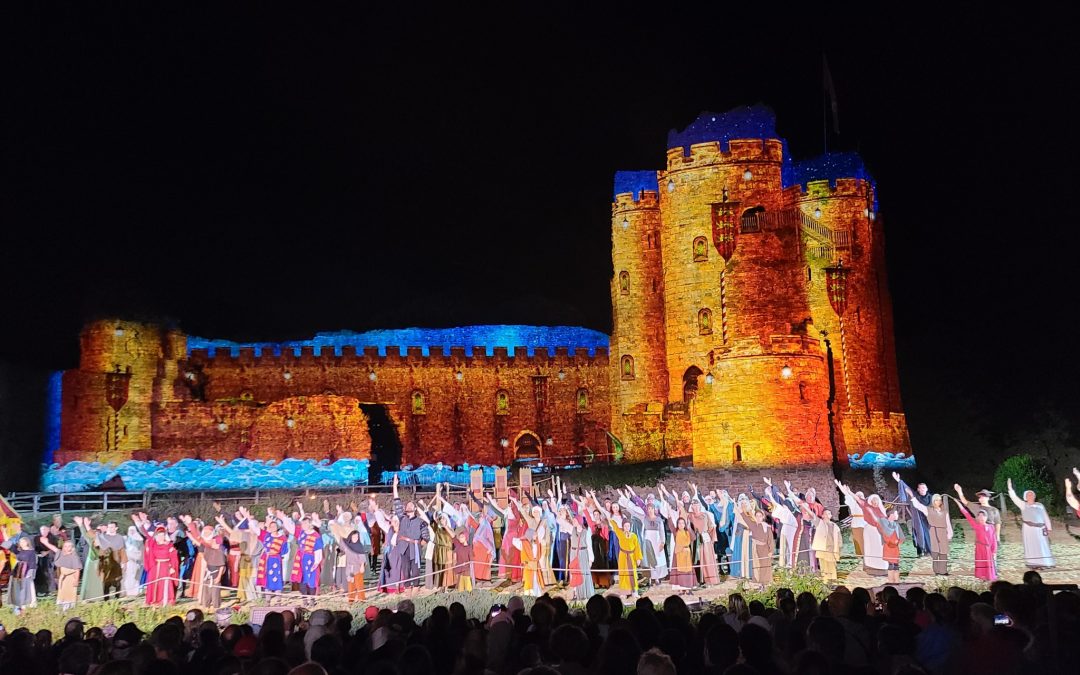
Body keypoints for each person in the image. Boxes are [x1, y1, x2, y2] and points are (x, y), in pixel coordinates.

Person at [901, 479, 952, 575]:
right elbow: (917, 505)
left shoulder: (943, 512)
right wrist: (911, 495)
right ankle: (937, 570)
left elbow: (947, 522)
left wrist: (949, 533)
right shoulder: (928, 510)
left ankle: (943, 570)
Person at [1007, 477, 1055, 568]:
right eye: (1028, 495)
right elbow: (1014, 498)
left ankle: (1045, 562)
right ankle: (1032, 563)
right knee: (1031, 544)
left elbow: (1045, 516)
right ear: (1025, 497)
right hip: (1029, 529)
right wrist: (1010, 488)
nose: (1030, 496)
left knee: (1042, 545)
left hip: (1040, 528)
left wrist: (1049, 527)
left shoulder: (1040, 505)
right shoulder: (1023, 505)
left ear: (1034, 496)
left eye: (1032, 494)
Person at [859, 494, 904, 583]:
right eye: (873, 501)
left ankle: (893, 578)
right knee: (871, 549)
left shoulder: (884, 514)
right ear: (871, 502)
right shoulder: (868, 509)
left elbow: (898, 534)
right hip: (872, 531)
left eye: (877, 501)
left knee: (891, 560)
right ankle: (872, 567)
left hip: (883, 536)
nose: (875, 503)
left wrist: (897, 542)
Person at [954, 501, 998, 581]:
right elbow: (967, 515)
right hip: (980, 547)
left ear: (986, 517)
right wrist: (959, 504)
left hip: (988, 549)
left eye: (983, 516)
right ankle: (982, 576)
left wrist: (994, 550)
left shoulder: (991, 527)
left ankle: (989, 576)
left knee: (989, 562)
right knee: (981, 562)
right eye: (979, 516)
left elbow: (993, 539)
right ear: (977, 518)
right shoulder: (976, 525)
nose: (981, 518)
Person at [893, 472, 933, 556]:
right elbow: (907, 489)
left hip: (929, 520)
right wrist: (899, 480)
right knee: (919, 534)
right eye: (920, 488)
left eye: (924, 488)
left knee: (930, 534)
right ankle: (920, 551)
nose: (922, 489)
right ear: (918, 489)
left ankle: (930, 551)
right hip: (918, 519)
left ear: (927, 489)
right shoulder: (915, 496)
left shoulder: (932, 498)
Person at [809, 508, 841, 583]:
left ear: (831, 516)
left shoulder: (835, 526)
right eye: (825, 514)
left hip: (831, 549)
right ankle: (825, 582)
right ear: (822, 515)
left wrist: (838, 549)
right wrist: (805, 506)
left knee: (832, 566)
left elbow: (839, 539)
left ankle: (833, 581)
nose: (827, 515)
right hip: (822, 549)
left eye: (829, 514)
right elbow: (812, 515)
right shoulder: (819, 523)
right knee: (824, 567)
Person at [54, 540, 82, 611]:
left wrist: (76, 580)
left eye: (69, 546)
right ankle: (60, 609)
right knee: (62, 593)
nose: (67, 548)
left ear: (72, 547)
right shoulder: (62, 555)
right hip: (63, 578)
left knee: (70, 594)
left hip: (71, 578)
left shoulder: (74, 557)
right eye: (65, 546)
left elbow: (77, 569)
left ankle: (69, 609)